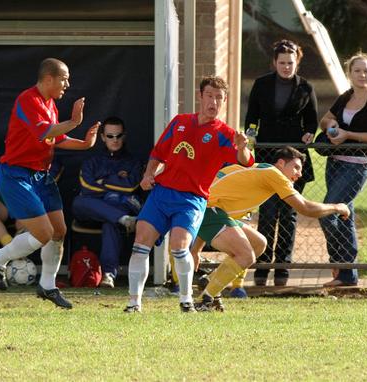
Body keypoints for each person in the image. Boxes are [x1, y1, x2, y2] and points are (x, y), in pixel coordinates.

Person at [124, 75, 253, 313]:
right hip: (161, 194)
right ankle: (134, 304)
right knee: (141, 241)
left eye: (219, 98)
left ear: (224, 101)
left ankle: (186, 301)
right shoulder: (180, 122)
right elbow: (158, 152)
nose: (214, 102)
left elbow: (245, 161)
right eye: (210, 96)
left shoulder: (225, 134)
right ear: (200, 96)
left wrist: (243, 147)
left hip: (191, 200)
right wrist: (148, 175)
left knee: (179, 245)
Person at [0, 58, 99, 309]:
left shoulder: (50, 105)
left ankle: (47, 286)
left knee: (58, 231)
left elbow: (55, 138)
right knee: (43, 233)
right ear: (48, 79)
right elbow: (45, 132)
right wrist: (75, 122)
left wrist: (84, 144)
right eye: (64, 78)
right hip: (17, 175)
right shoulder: (28, 99)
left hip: (40, 176)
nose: (67, 84)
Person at [190, 146, 350, 311]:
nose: (299, 174)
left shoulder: (262, 170)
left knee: (258, 243)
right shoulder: (273, 174)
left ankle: (210, 282)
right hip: (209, 211)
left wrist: (196, 249)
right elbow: (305, 208)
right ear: (281, 163)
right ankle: (205, 300)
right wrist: (337, 207)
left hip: (210, 211)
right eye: (296, 167)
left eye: (300, 169)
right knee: (246, 255)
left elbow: (213, 196)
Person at [244, 39, 318, 287]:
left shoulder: (306, 88)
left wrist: (309, 134)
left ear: (297, 62)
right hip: (267, 156)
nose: (286, 67)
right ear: (274, 62)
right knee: (267, 213)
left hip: (294, 159)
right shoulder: (261, 85)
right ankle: (262, 267)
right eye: (282, 63)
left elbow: (311, 122)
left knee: (289, 214)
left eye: (290, 63)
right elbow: (251, 118)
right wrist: (251, 135)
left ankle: (283, 267)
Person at [318, 52, 367, 287]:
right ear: (349, 73)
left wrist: (348, 135)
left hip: (356, 166)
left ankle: (338, 262)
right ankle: (348, 275)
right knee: (344, 216)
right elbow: (325, 120)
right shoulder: (345, 97)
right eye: (357, 70)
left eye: (366, 70)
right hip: (334, 163)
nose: (362, 75)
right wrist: (333, 127)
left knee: (328, 212)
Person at [72, 116, 143, 288]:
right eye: (110, 136)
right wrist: (116, 181)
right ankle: (122, 219)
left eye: (118, 136)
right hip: (96, 209)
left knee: (110, 222)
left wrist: (102, 182)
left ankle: (108, 274)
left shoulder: (133, 162)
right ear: (103, 137)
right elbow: (87, 187)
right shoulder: (92, 161)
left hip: (121, 205)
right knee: (79, 202)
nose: (115, 140)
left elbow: (131, 186)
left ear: (124, 136)